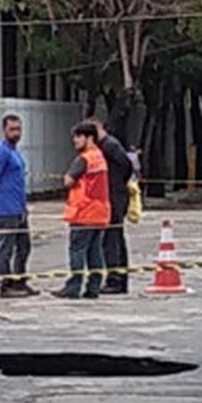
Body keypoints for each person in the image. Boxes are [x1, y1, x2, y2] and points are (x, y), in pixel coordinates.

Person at [55, 122, 111, 300]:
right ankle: (94, 287)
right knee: (95, 252)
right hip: (100, 212)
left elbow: (68, 181)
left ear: (89, 138)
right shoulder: (100, 156)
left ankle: (73, 287)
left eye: (79, 137)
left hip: (83, 211)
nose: (75, 140)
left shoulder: (84, 158)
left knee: (77, 250)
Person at [0, 114, 38, 298]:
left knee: (24, 246)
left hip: (19, 207)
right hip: (6, 208)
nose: (16, 133)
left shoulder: (15, 151)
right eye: (12, 129)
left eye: (18, 129)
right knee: (6, 247)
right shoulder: (1, 151)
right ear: (4, 130)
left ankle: (20, 280)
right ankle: (6, 284)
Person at [90, 119, 133, 294]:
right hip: (114, 195)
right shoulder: (107, 145)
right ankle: (118, 278)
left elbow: (127, 166)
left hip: (114, 197)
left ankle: (115, 279)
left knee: (112, 239)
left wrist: (117, 185)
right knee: (115, 238)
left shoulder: (109, 145)